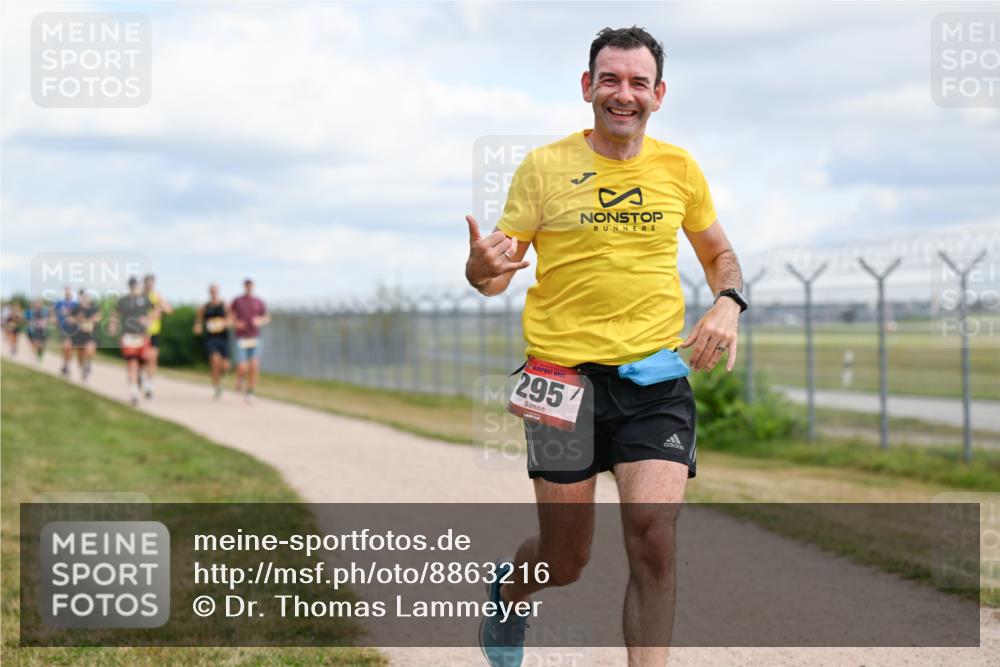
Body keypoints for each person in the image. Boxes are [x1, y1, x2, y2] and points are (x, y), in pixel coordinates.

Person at [465, 27, 748, 667]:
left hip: (653, 380)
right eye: (610, 80)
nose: (625, 94)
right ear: (587, 87)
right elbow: (497, 273)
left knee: (655, 539)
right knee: (565, 559)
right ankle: (511, 592)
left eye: (638, 82)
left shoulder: (679, 168)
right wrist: (480, 269)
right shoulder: (544, 167)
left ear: (659, 94)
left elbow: (719, 254)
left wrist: (729, 301)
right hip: (558, 381)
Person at [110, 277, 152, 406]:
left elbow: (156, 310)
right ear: (129, 286)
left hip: (142, 335)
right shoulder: (123, 300)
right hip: (128, 335)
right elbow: (114, 312)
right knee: (132, 364)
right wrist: (113, 324)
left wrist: (148, 319)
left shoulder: (145, 299)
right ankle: (134, 393)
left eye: (135, 285)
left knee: (145, 362)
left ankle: (142, 379)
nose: (134, 287)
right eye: (131, 285)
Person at [231, 278, 269, 404]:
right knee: (242, 367)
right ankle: (240, 379)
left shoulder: (259, 301)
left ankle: (250, 391)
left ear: (253, 286)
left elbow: (266, 317)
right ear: (244, 286)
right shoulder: (237, 301)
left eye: (251, 285)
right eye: (247, 285)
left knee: (254, 365)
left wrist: (260, 321)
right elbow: (230, 316)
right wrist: (236, 323)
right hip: (241, 338)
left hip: (255, 337)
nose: (249, 287)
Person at [193, 283, 233, 399]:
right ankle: (217, 387)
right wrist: (198, 327)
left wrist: (227, 323)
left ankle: (220, 377)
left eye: (215, 291)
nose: (214, 293)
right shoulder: (205, 307)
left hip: (223, 338)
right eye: (212, 291)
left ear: (218, 291)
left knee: (225, 366)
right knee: (215, 361)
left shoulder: (224, 305)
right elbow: (199, 320)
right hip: (211, 338)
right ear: (209, 292)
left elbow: (231, 318)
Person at [141, 273, 173, 399]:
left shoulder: (157, 296)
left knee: (153, 358)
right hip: (141, 333)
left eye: (152, 283)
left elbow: (170, 310)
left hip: (154, 332)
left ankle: (150, 386)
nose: (150, 285)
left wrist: (161, 307)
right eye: (148, 282)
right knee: (143, 359)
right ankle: (142, 379)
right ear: (144, 283)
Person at [70, 289, 102, 382]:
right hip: (79, 334)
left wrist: (91, 320)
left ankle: (88, 363)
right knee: (80, 353)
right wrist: (77, 320)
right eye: (82, 297)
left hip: (90, 334)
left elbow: (99, 316)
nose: (84, 298)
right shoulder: (76, 308)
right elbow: (70, 319)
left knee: (90, 348)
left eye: (86, 296)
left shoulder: (94, 307)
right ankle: (82, 370)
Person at [54, 286, 78, 376]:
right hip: (62, 328)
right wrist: (56, 321)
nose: (67, 294)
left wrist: (74, 320)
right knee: (65, 347)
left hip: (72, 329)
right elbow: (54, 313)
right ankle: (65, 364)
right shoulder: (59, 303)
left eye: (69, 292)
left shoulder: (75, 304)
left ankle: (66, 365)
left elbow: (79, 316)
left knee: (69, 347)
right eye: (66, 292)